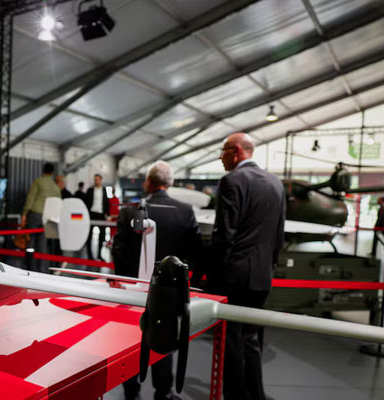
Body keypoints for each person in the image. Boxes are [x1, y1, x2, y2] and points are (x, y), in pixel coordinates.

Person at [112, 161, 203, 400]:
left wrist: (128, 278)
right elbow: (196, 252)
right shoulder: (185, 211)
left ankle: (131, 392)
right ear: (169, 183)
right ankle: (164, 392)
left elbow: (118, 253)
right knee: (166, 337)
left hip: (133, 291)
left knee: (130, 342)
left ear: (148, 183)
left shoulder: (129, 212)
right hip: (170, 291)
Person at [208, 132, 285, 400]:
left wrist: (213, 274)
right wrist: (269, 267)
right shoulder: (275, 183)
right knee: (253, 341)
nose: (221, 156)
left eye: (224, 150)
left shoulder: (232, 181)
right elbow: (278, 236)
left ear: (237, 151)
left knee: (232, 343)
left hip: (236, 276)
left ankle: (235, 396)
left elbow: (225, 235)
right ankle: (257, 395)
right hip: (262, 276)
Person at [22, 163, 60, 272]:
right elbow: (57, 205)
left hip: (35, 214)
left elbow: (31, 198)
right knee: (42, 246)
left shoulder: (38, 181)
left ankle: (29, 268)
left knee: (30, 243)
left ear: (43, 170)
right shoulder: (56, 187)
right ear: (52, 172)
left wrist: (24, 213)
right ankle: (40, 269)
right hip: (48, 218)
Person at [85, 174, 110, 260]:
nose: (96, 181)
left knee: (102, 236)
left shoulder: (104, 190)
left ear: (101, 180)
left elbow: (106, 203)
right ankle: (89, 255)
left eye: (98, 180)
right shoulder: (90, 190)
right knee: (89, 236)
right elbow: (86, 202)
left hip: (101, 214)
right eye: (95, 180)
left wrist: (107, 214)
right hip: (92, 214)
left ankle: (99, 254)